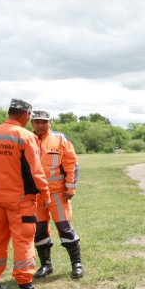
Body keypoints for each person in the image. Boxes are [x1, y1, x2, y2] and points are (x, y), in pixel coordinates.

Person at [0, 98, 51, 289]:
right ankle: (26, 288)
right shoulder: (25, 136)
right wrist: (45, 194)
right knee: (23, 241)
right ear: (26, 114)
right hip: (20, 200)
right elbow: (35, 171)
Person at [30, 110, 84, 279]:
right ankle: (46, 265)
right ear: (32, 123)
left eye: (44, 122)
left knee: (65, 228)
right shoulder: (26, 139)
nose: (40, 125)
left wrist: (70, 188)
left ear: (50, 123)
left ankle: (76, 264)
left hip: (57, 194)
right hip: (35, 195)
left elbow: (71, 165)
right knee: (39, 231)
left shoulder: (60, 139)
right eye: (37, 122)